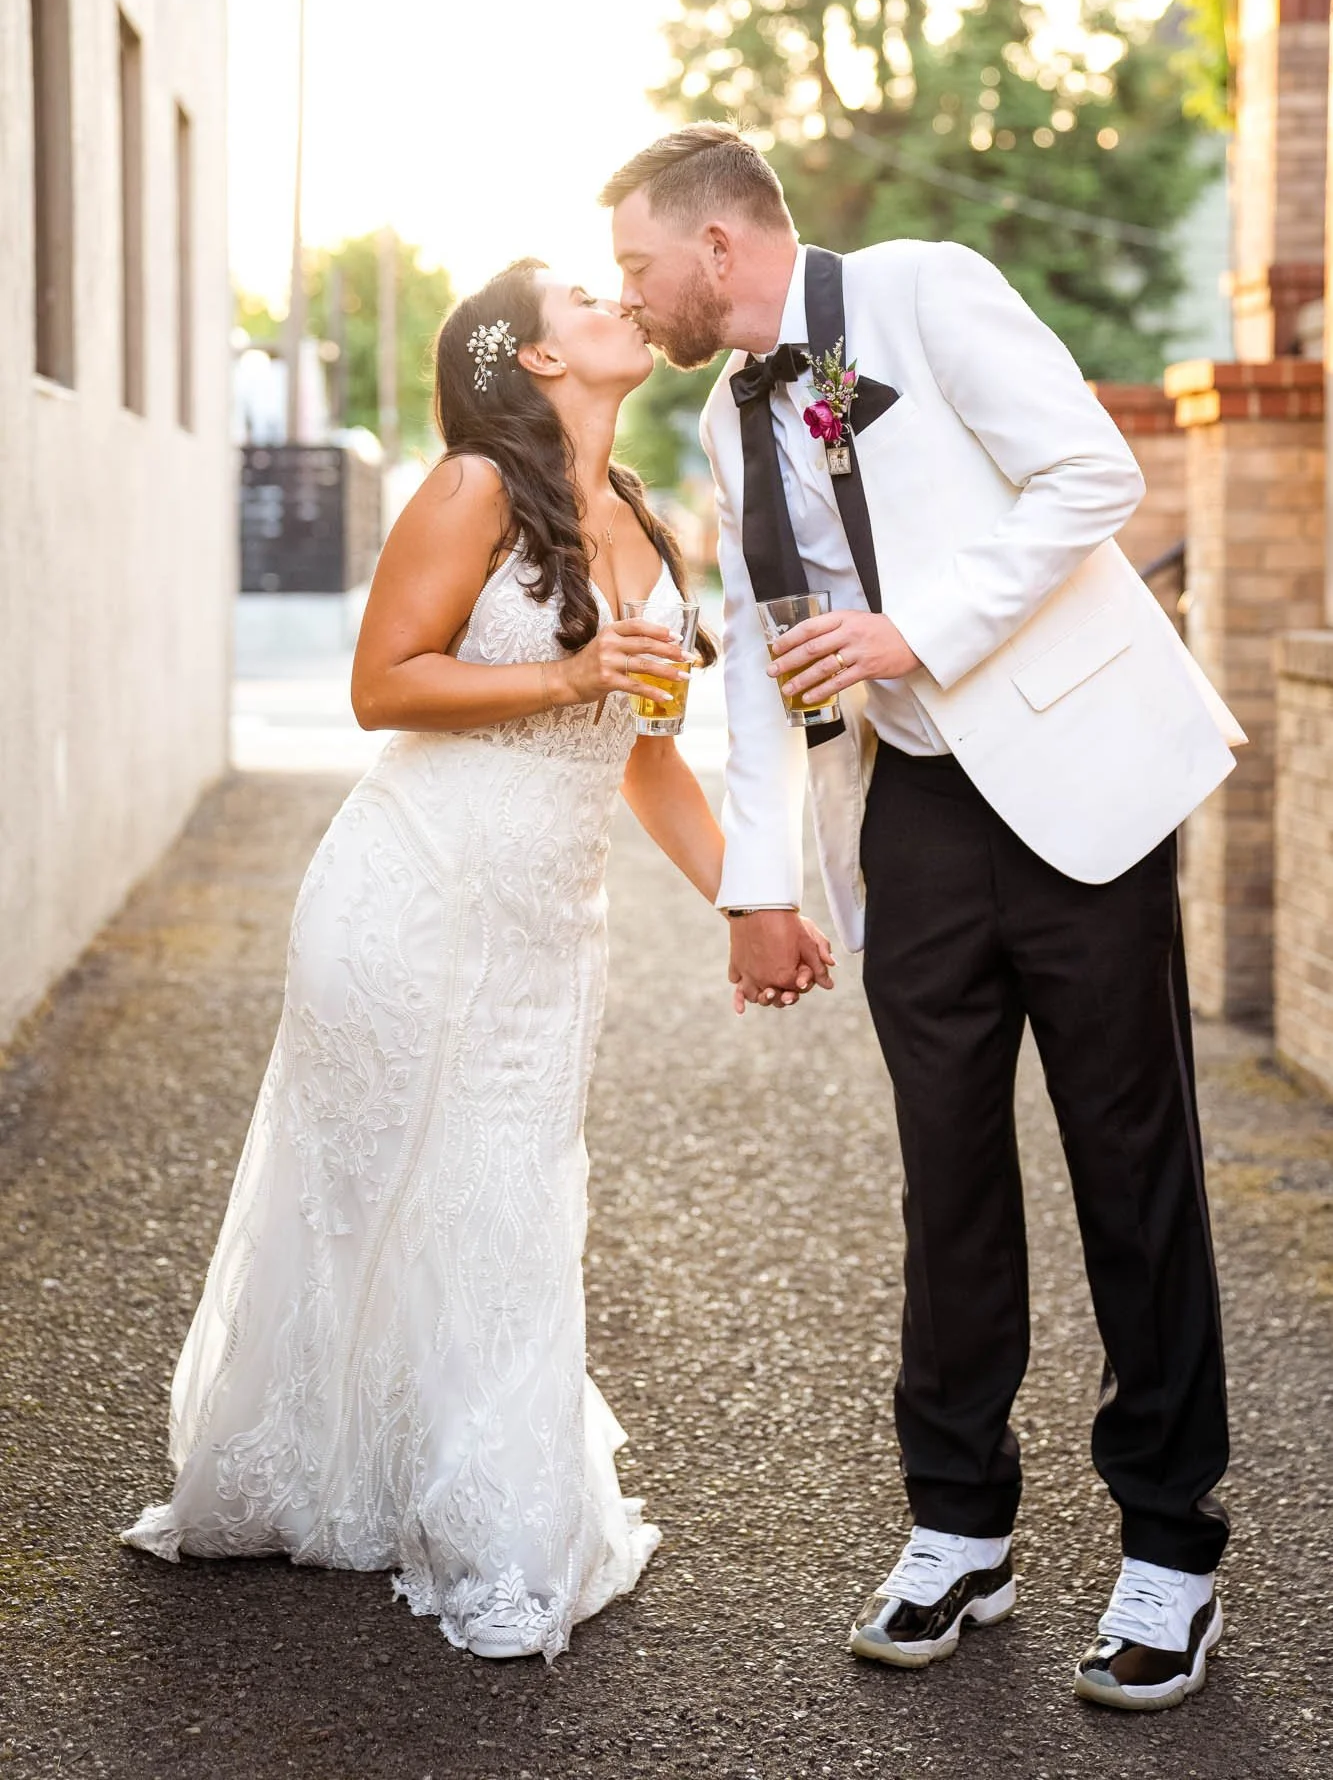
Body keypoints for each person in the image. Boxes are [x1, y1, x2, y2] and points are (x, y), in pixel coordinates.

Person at [600, 124, 1242, 1713]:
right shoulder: (728, 411)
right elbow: (761, 655)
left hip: (1080, 784)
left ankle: (1172, 1545)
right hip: (924, 819)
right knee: (945, 1174)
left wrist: (916, 628)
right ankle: (960, 1523)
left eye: (637, 264)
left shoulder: (923, 290)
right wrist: (760, 891)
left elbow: (1099, 471)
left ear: (723, 247)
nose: (632, 292)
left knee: (1130, 1165)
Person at [122, 255, 834, 1662]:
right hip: (409, 893)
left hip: (544, 931)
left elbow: (647, 765)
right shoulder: (471, 490)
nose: (620, 300)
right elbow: (382, 680)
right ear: (537, 359)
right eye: (585, 294)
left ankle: (423, 1486)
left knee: (503, 1198)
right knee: (401, 1194)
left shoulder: (635, 511)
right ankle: (458, 1513)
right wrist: (568, 673)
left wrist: (752, 901)